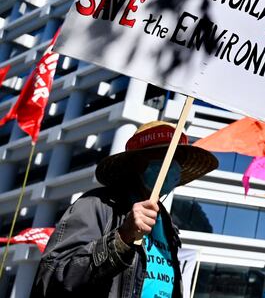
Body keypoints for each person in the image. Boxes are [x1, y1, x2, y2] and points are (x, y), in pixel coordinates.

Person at [31, 121, 219, 298]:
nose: (174, 167)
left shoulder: (169, 228)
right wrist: (122, 238)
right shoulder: (98, 205)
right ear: (137, 163)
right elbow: (52, 277)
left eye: (178, 160)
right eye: (164, 156)